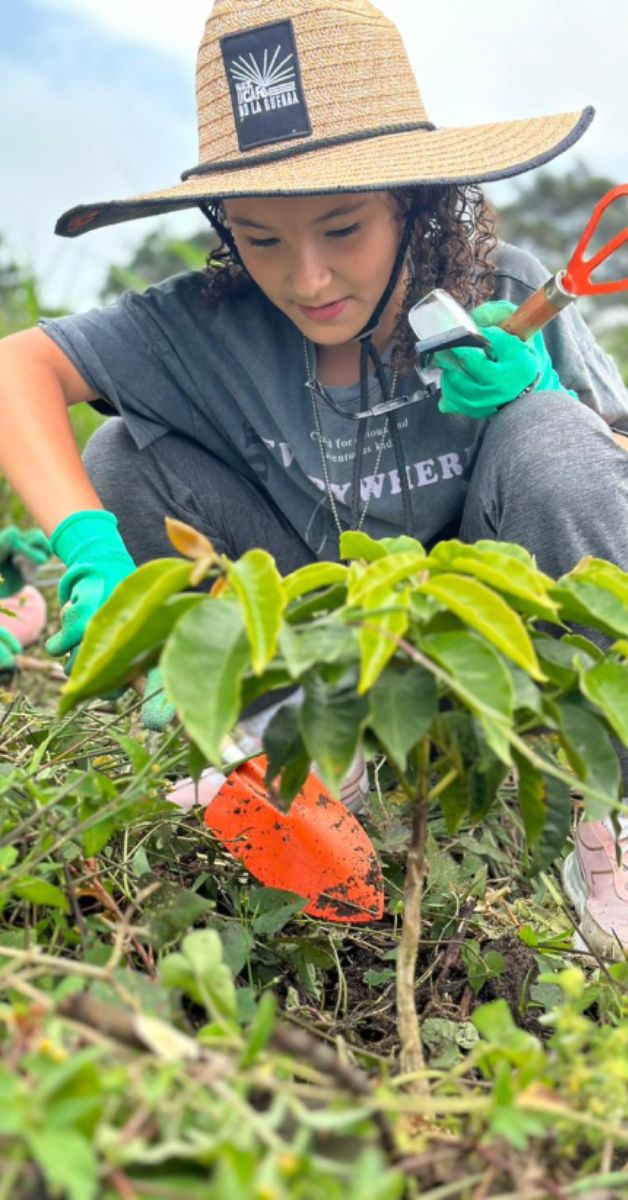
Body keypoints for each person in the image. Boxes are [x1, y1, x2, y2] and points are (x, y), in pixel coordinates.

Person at [1, 0, 628, 956]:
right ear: (223, 228)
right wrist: (87, 554)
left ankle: (602, 815)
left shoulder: (507, 292)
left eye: (343, 229)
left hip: (478, 659)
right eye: (262, 239)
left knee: (553, 437)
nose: (308, 280)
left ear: (415, 201)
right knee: (121, 457)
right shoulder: (200, 330)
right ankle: (280, 757)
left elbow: (608, 480)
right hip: (316, 642)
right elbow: (18, 367)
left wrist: (542, 393)